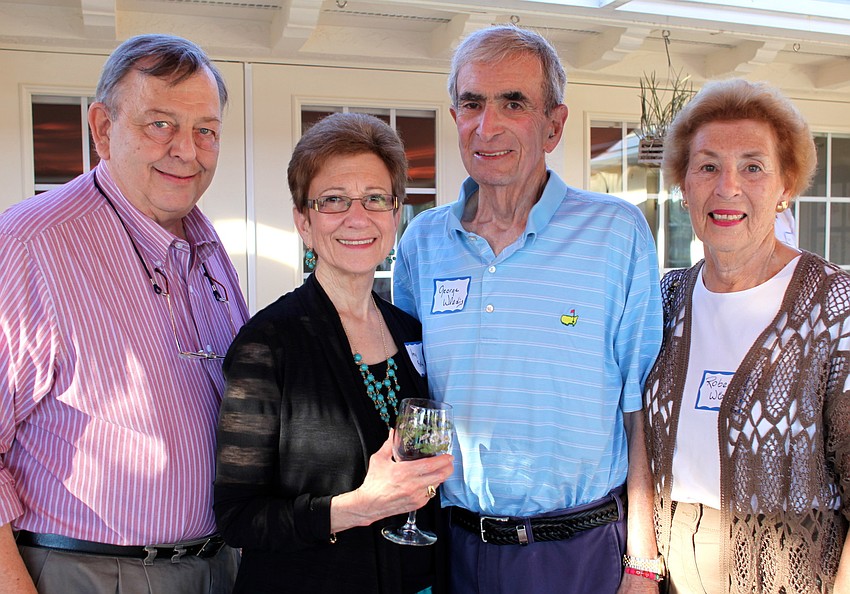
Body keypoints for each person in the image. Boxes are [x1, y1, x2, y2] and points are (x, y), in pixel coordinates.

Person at [393, 25, 664, 594]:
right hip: (456, 549)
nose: (487, 127)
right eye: (472, 104)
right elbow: (413, 395)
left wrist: (643, 562)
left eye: (512, 103)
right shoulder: (422, 242)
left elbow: (639, 407)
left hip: (583, 553)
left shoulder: (616, 233)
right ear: (455, 117)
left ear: (554, 125)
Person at [0, 34, 249, 593]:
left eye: (205, 130)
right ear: (103, 129)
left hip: (215, 568)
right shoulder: (30, 244)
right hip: (89, 573)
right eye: (159, 124)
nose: (187, 149)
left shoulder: (206, 247)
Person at [213, 112, 454, 594]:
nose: (357, 217)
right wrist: (359, 506)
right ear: (303, 220)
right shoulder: (268, 343)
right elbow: (238, 518)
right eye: (334, 200)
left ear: (395, 213)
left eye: (375, 199)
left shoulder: (411, 332)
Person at [643, 78, 850, 593]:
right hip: (671, 572)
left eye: (752, 167)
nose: (726, 187)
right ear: (684, 185)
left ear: (785, 188)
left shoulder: (833, 306)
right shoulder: (664, 300)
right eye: (708, 166)